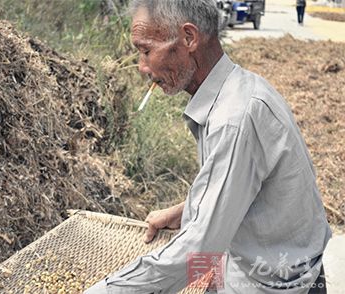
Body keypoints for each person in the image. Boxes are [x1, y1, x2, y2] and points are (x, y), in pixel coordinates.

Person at [85, 0, 331, 293]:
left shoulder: (235, 117)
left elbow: (201, 246)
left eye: (147, 50)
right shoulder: (240, 88)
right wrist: (187, 209)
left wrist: (104, 289)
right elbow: (241, 188)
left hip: (271, 280)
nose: (142, 67)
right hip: (260, 262)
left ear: (189, 38)